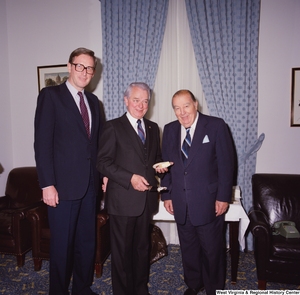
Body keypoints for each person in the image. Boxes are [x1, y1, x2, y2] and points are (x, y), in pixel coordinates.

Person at [34, 47, 102, 295]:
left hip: (90, 188)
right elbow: (42, 144)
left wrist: (103, 175)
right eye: (80, 66)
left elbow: (97, 145)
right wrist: (46, 184)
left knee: (86, 243)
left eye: (90, 68)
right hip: (61, 188)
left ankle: (82, 288)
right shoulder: (50, 96)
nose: (85, 72)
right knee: (62, 247)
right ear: (70, 66)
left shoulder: (94, 102)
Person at [161, 89, 235, 295]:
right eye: (177, 108)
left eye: (186, 106)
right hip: (181, 203)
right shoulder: (169, 130)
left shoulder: (216, 126)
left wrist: (223, 197)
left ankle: (214, 288)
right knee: (188, 249)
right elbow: (165, 165)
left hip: (209, 202)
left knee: (212, 250)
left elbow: (227, 165)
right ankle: (194, 284)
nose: (182, 112)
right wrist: (166, 194)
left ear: (195, 104)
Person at [97, 82, 168, 295]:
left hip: (146, 201)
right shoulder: (112, 127)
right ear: (126, 100)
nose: (141, 105)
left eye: (145, 101)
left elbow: (153, 159)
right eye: (136, 100)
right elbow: (103, 162)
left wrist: (160, 166)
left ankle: (140, 289)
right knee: (122, 253)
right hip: (122, 200)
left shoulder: (153, 128)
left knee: (142, 250)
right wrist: (130, 179)